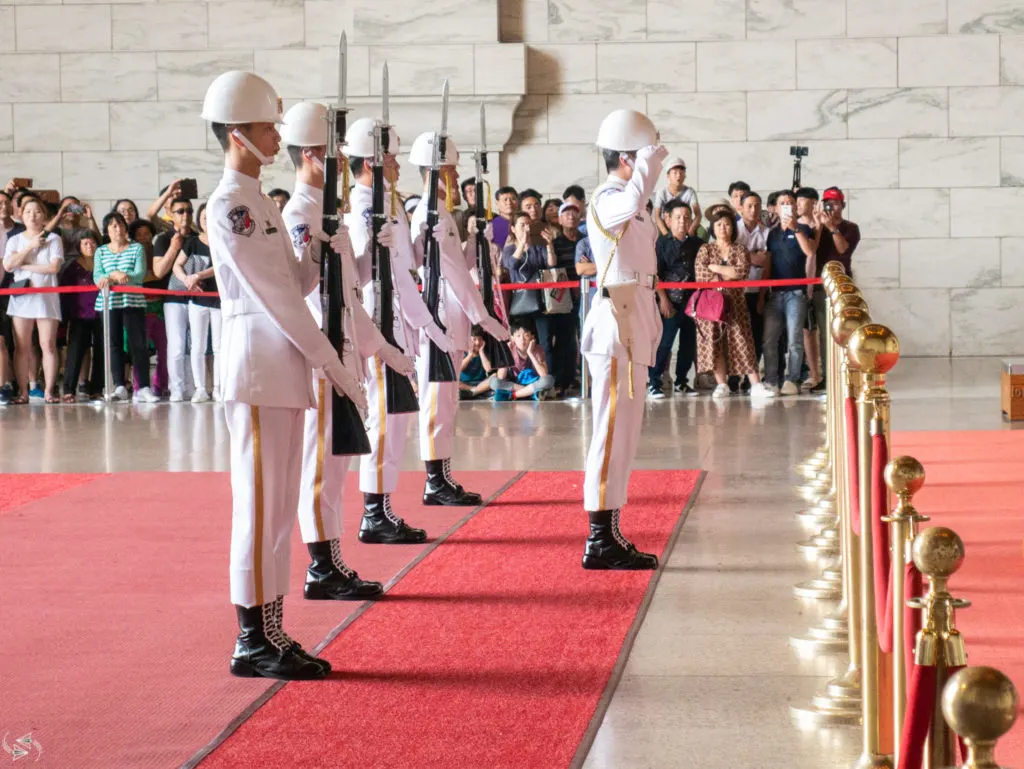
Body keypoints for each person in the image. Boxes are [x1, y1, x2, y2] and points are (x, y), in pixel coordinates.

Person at [201, 71, 366, 680]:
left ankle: (270, 630)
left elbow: (295, 282)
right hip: (259, 371)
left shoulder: (262, 204)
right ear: (239, 135)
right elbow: (277, 300)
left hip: (280, 371)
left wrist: (319, 245)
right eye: (269, 126)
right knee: (260, 505)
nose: (278, 136)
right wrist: (333, 364)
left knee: (275, 511)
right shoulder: (230, 207)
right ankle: (252, 639)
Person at [279, 103, 413, 602]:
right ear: (313, 156)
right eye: (334, 150)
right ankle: (321, 568)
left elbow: (351, 289)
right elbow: (310, 293)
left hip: (347, 349)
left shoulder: (325, 211)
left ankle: (332, 560)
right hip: (323, 353)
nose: (342, 157)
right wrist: (321, 249)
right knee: (320, 467)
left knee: (335, 467)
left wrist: (365, 255)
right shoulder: (299, 213)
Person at [341, 116, 454, 542]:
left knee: (399, 418)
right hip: (381, 320)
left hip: (401, 320)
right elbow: (363, 274)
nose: (396, 163)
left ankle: (382, 506)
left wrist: (428, 238)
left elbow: (406, 266)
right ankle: (374, 512)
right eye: (389, 156)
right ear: (371, 161)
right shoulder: (363, 207)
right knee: (385, 420)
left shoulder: (387, 202)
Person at [579, 109, 667, 570]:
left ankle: (609, 530)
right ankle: (599, 539)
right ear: (628, 159)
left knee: (623, 434)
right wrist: (647, 168)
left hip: (633, 320)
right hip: (617, 324)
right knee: (611, 433)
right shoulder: (608, 197)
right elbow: (628, 206)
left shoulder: (632, 199)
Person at [409, 130, 509, 506]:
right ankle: (434, 480)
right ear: (440, 171)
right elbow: (446, 271)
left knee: (447, 402)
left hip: (452, 317)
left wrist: (476, 241)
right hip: (441, 319)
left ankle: (442, 475)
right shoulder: (429, 212)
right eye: (451, 170)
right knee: (437, 401)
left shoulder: (444, 214)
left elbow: (460, 262)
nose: (455, 177)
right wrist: (483, 318)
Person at [694, 212, 772, 399]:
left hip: (735, 303)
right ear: (713, 228)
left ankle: (755, 384)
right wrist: (725, 274)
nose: (723, 228)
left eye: (727, 224)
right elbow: (701, 275)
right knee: (716, 343)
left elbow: (741, 272)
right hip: (711, 305)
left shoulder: (740, 249)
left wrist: (715, 268)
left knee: (743, 341)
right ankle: (722, 384)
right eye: (719, 224)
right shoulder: (705, 249)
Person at [92, 212, 160, 403]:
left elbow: (139, 274)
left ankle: (143, 387)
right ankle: (119, 385)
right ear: (106, 230)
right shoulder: (101, 251)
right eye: (112, 226)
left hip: (133, 301)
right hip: (109, 302)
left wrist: (121, 274)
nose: (117, 229)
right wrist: (113, 274)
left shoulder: (136, 248)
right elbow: (98, 276)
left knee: (138, 344)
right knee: (113, 344)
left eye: (120, 224)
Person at [3, 197, 63, 403]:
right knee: (22, 346)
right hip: (22, 298)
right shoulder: (15, 240)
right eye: (28, 212)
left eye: (37, 212)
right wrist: (29, 247)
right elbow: (9, 265)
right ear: (21, 215)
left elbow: (53, 267)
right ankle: (23, 391)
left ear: (44, 216)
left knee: (48, 344)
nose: (33, 215)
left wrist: (25, 266)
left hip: (47, 297)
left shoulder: (54, 238)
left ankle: (48, 391)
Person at [763, 190, 817, 395]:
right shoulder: (772, 234)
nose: (787, 206)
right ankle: (771, 380)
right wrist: (762, 294)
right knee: (770, 339)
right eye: (782, 203)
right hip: (775, 294)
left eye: (790, 203)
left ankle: (793, 379)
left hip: (796, 294)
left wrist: (796, 229)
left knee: (795, 339)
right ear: (776, 208)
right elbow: (768, 263)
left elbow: (810, 252)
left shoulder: (804, 229)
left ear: (795, 207)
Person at [649, 199, 701, 398]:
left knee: (688, 343)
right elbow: (655, 275)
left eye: (687, 218)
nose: (682, 221)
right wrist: (663, 299)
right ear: (668, 220)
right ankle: (654, 382)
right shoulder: (660, 245)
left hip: (692, 303)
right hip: (669, 303)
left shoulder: (698, 244)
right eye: (678, 217)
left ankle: (682, 381)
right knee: (664, 343)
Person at [172, 203, 222, 402]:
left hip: (219, 300)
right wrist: (186, 280)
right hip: (197, 300)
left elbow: (220, 266)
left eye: (210, 217)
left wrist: (197, 275)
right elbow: (177, 265)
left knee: (219, 346)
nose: (207, 221)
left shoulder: (223, 241)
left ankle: (218, 387)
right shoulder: (192, 242)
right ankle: (200, 387)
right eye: (204, 218)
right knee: (198, 345)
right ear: (199, 222)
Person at [59, 231, 103, 402]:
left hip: (101, 313)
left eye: (92, 243)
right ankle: (69, 388)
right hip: (79, 314)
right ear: (79, 246)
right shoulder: (72, 267)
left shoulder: (103, 263)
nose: (90, 246)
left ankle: (97, 388)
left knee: (101, 351)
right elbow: (65, 293)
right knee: (75, 351)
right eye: (85, 243)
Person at [490, 321, 554, 401]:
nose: (522, 340)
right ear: (512, 338)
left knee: (548, 380)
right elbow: (501, 377)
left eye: (526, 335)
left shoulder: (538, 349)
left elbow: (544, 374)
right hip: (515, 384)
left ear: (532, 337)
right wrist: (507, 353)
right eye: (518, 336)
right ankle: (530, 393)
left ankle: (515, 395)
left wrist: (530, 353)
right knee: (493, 382)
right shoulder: (510, 349)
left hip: (532, 382)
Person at [459, 325, 492, 399]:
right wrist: (470, 355)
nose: (477, 343)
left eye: (480, 339)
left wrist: (481, 352)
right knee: (454, 382)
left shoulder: (485, 353)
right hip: (465, 384)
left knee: (495, 376)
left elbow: (488, 369)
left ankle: (474, 392)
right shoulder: (462, 352)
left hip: (481, 383)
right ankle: (478, 391)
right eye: (474, 339)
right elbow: (458, 369)